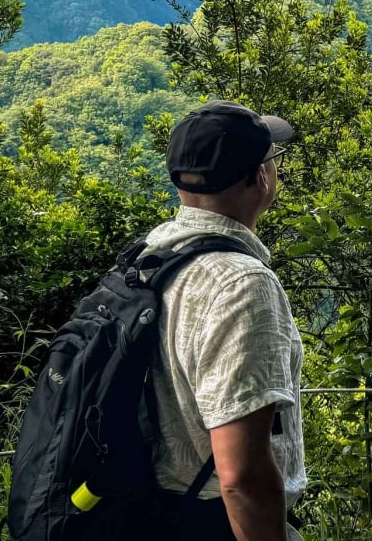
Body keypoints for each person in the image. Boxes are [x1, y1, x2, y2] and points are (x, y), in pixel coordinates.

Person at [143, 99, 306, 541]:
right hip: (217, 521)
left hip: (155, 510)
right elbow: (241, 475)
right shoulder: (242, 284)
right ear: (260, 177)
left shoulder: (153, 257)